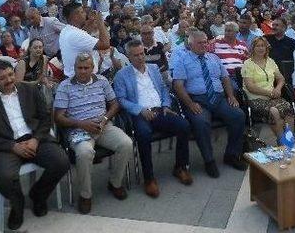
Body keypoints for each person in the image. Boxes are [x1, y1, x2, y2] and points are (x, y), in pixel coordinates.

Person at [0, 59, 70, 231]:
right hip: (5, 145)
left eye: (11, 74)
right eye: (2, 78)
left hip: (34, 139)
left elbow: (45, 118)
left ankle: (38, 195)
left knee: (61, 162)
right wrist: (12, 146)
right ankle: (17, 205)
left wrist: (35, 139)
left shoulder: (29, 89)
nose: (9, 80)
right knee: (3, 177)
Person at [53, 53, 133, 213]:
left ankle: (115, 183)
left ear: (93, 68)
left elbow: (115, 104)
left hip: (103, 126)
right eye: (79, 68)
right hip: (78, 129)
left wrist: (104, 119)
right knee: (85, 152)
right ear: (74, 68)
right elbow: (58, 117)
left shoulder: (102, 81)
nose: (82, 71)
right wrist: (81, 123)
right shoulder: (65, 86)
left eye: (86, 68)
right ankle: (85, 195)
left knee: (126, 144)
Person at [113, 40, 192, 198]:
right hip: (140, 114)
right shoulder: (122, 75)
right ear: (128, 57)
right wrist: (140, 110)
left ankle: (180, 167)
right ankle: (149, 178)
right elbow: (121, 99)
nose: (140, 57)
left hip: (160, 110)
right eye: (136, 55)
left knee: (183, 125)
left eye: (142, 53)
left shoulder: (154, 68)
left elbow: (163, 89)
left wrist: (166, 105)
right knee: (143, 135)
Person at [171, 30, 246, 178]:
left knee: (238, 115)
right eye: (200, 42)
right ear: (190, 44)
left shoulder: (214, 58)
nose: (204, 44)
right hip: (197, 100)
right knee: (201, 122)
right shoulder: (182, 60)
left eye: (205, 41)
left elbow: (225, 78)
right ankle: (209, 160)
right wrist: (190, 103)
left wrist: (231, 96)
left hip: (218, 98)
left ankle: (231, 155)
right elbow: (178, 85)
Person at [241, 37, 295, 142]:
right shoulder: (248, 64)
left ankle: (290, 141)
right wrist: (270, 93)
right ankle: (282, 143)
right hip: (255, 98)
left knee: (288, 108)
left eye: (263, 46)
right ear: (252, 48)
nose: (261, 48)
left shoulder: (270, 61)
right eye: (258, 46)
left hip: (273, 97)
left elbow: (281, 78)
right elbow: (250, 87)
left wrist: (278, 88)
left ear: (266, 48)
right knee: (274, 112)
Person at [58, 2, 110, 78]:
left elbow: (84, 33)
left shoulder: (66, 30)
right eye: (82, 12)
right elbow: (105, 44)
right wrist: (100, 22)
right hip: (81, 79)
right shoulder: (76, 34)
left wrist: (91, 21)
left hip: (75, 76)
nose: (85, 14)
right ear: (75, 16)